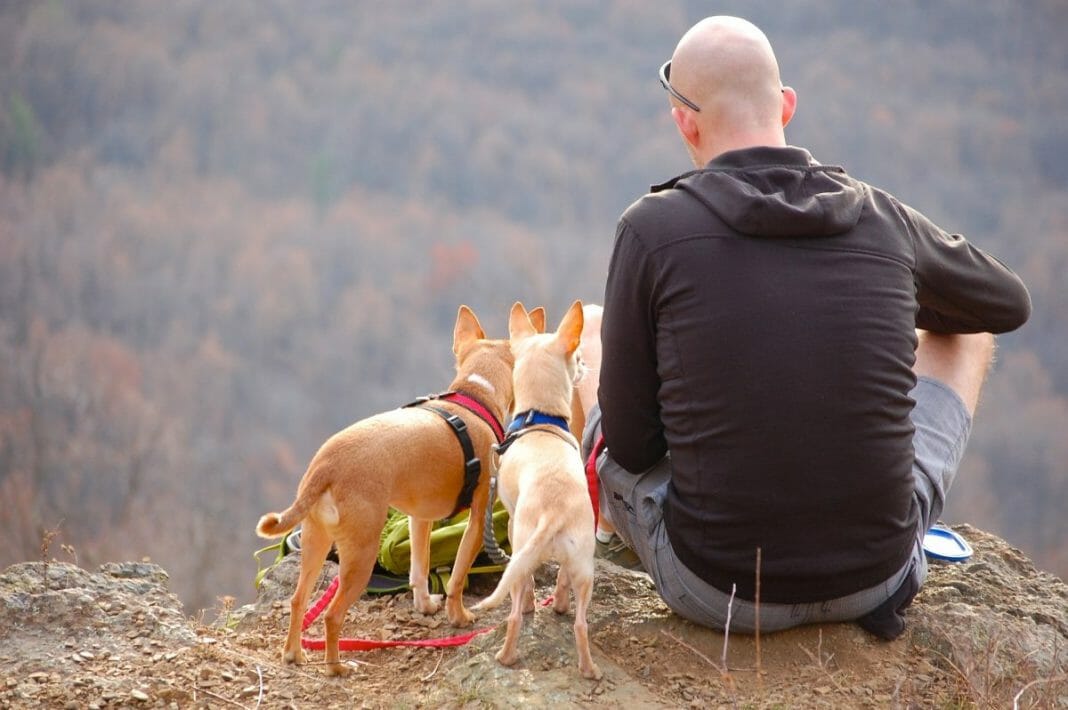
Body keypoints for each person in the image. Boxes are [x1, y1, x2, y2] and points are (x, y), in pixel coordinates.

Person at [582, 16, 1031, 639]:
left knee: (594, 332)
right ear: (787, 105)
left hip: (717, 588)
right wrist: (883, 295)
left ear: (684, 120)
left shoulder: (651, 231)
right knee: (969, 332)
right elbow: (1004, 304)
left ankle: (606, 537)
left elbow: (630, 448)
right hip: (878, 576)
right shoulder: (880, 218)